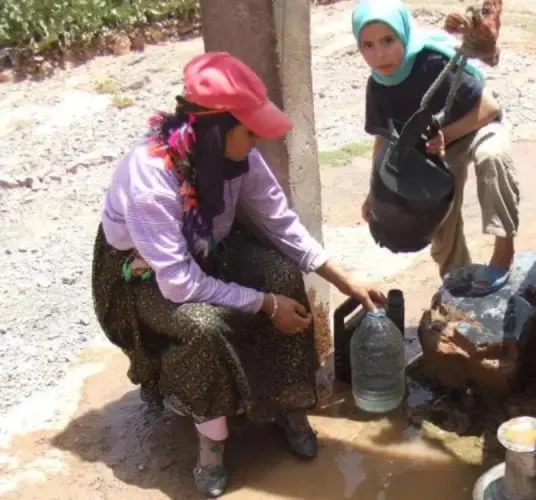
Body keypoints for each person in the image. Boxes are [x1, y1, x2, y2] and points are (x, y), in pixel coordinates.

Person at [91, 51, 384, 498]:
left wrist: (344, 278)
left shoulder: (236, 158)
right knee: (202, 327)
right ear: (214, 131)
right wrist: (265, 305)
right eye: (249, 131)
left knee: (283, 277)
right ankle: (212, 443)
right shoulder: (151, 179)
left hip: (210, 249)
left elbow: (279, 222)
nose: (256, 140)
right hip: (144, 274)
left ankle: (287, 403)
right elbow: (179, 284)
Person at [352, 0, 521, 296]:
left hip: (475, 126)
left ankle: (503, 252)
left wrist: (446, 134)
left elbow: (490, 108)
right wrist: (373, 191)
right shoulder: (378, 86)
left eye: (388, 40)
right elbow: (383, 139)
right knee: (435, 206)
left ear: (404, 34)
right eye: (368, 45)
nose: (380, 54)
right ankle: (456, 276)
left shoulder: (431, 62)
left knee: (492, 157)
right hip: (435, 149)